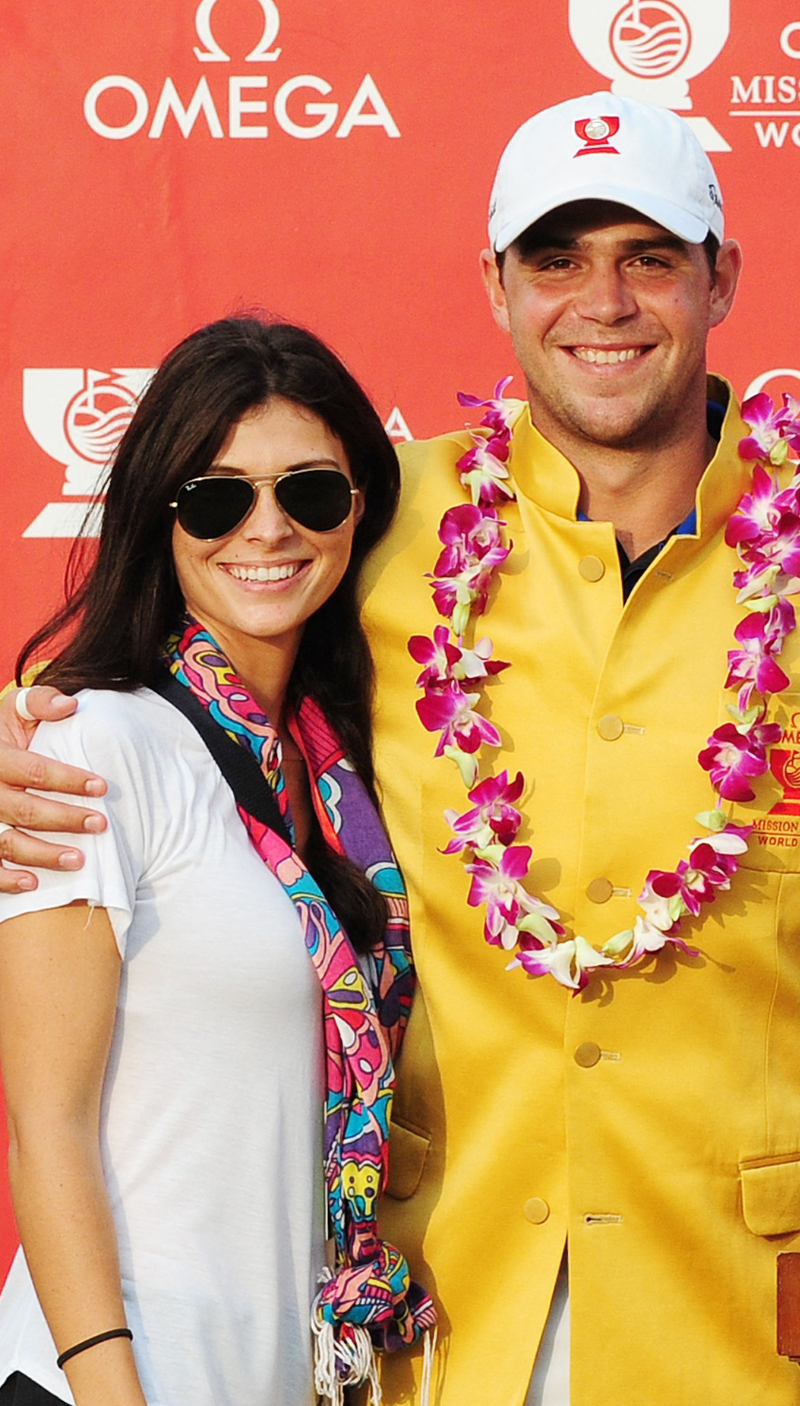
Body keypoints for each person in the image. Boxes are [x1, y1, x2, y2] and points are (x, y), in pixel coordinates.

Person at [0, 95, 800, 1404]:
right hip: (440, 1305)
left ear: (721, 276)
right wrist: (20, 734)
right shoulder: (380, 532)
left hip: (731, 1308)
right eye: (558, 259)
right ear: (498, 287)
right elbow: (183, 659)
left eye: (650, 256)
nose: (604, 301)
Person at [0, 318, 431, 1405]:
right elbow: (43, 1118)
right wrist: (110, 1390)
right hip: (119, 1373)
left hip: (288, 1372)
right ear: (163, 516)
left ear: (360, 508)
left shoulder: (350, 782)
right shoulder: (96, 743)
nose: (269, 528)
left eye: (311, 493)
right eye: (219, 497)